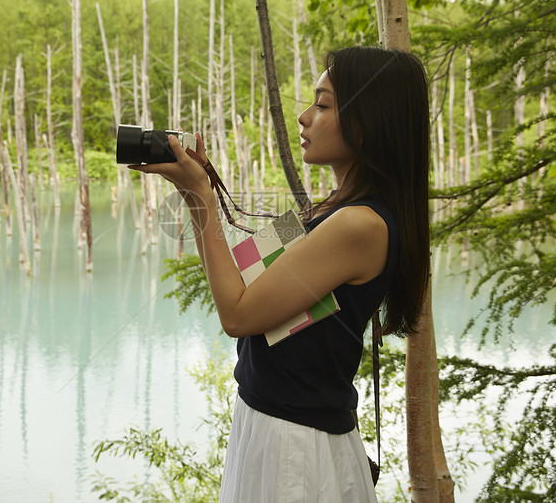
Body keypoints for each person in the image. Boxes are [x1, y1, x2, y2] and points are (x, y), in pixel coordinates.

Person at [129, 46, 431, 503]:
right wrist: (200, 189)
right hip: (269, 426)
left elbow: (238, 314)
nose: (305, 117)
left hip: (297, 449)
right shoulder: (329, 209)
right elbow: (248, 280)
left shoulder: (359, 224)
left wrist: (201, 197)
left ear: (367, 125)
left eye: (324, 104)